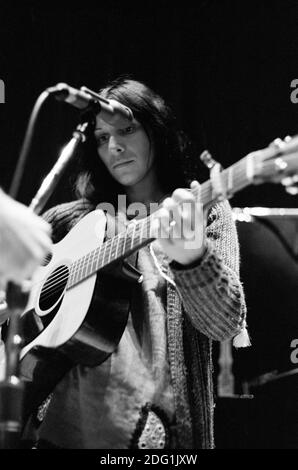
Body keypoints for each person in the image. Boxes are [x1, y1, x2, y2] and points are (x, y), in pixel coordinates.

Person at [21, 77, 247, 449]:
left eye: (126, 129)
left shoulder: (202, 211)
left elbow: (224, 323)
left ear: (156, 132)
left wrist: (192, 258)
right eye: (101, 138)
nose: (114, 146)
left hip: (156, 436)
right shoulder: (70, 219)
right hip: (58, 430)